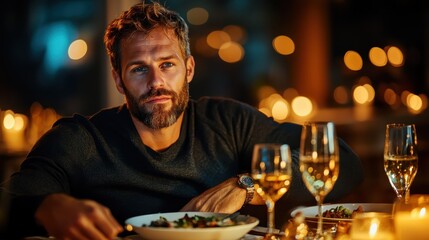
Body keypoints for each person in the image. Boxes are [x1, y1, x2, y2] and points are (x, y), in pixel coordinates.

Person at [1, 1, 363, 239]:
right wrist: (51, 205)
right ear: (118, 79)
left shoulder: (229, 121)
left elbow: (343, 163)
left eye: (168, 65)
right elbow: (13, 200)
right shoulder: (82, 139)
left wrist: (246, 186)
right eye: (139, 69)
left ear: (188, 68)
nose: (156, 82)